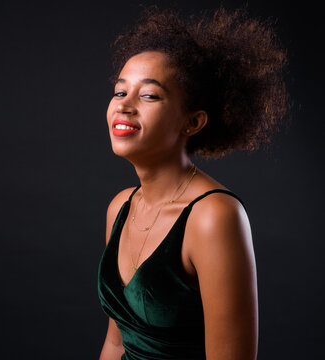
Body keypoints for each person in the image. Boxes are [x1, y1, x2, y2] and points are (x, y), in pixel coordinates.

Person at [97, 7, 288, 360]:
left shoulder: (214, 216)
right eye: (120, 92)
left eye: (149, 95)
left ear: (193, 121)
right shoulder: (120, 207)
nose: (124, 106)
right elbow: (116, 342)